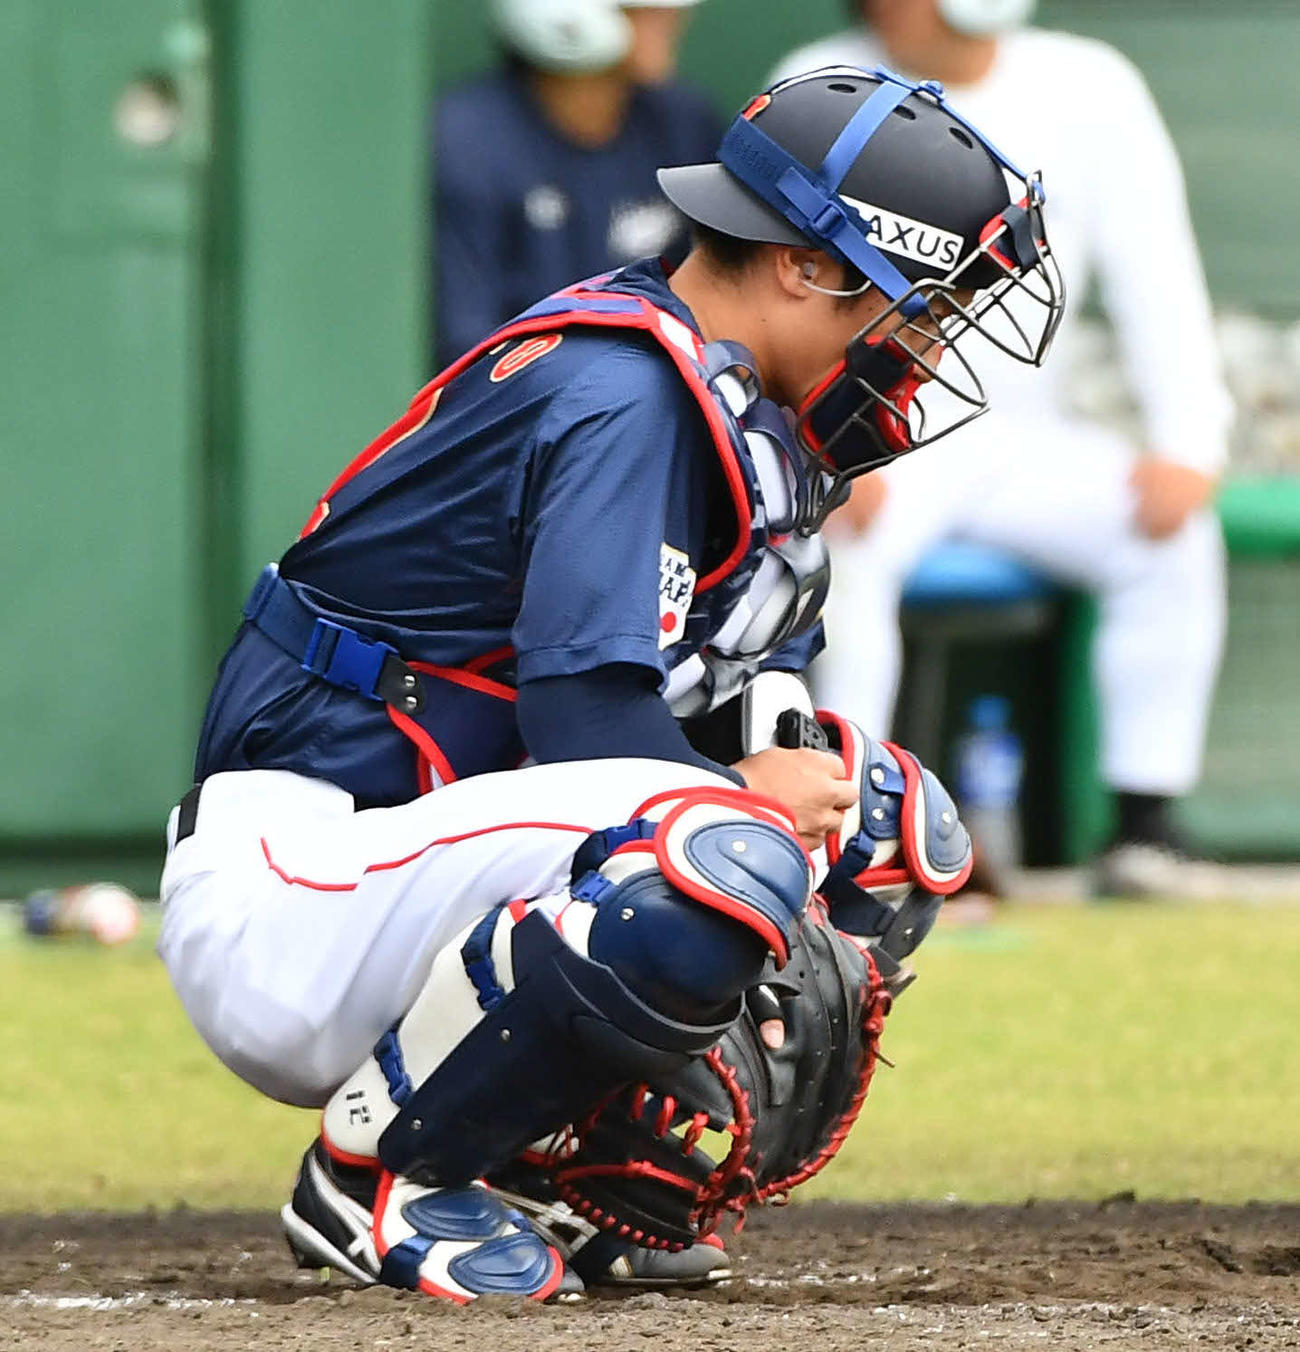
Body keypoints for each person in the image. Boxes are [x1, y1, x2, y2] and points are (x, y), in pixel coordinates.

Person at [160, 66, 1061, 1302]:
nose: (924, 343)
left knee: (885, 821)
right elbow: (587, 720)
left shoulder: (747, 424)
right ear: (805, 265)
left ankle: (566, 1169)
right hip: (299, 888)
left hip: (425, 869)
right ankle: (385, 1174)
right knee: (716, 843)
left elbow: (733, 705)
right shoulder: (624, 391)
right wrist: (746, 797)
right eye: (918, 303)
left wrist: (790, 790)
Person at [773, 0, 1234, 896]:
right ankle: (841, 840)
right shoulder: (820, 71)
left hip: (1028, 435)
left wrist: (1188, 440)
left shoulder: (1093, 84)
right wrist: (826, 437)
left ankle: (1146, 829)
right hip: (881, 424)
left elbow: (1160, 276)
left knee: (1173, 536)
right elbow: (784, 280)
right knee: (842, 554)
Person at [433, 0, 723, 368]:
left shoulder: (683, 123)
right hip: (533, 406)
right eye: (642, 9)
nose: (673, 18)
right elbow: (466, 342)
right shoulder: (467, 138)